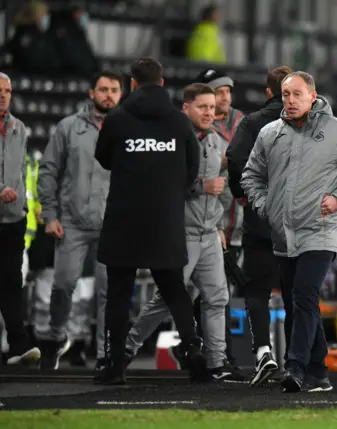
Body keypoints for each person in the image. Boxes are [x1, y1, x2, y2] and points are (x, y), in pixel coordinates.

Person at [241, 71, 337, 392]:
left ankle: (296, 367)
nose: (289, 100)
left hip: (321, 230)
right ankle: (319, 372)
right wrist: (266, 207)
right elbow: (251, 177)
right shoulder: (269, 133)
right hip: (283, 234)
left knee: (303, 293)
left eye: (296, 94)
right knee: (297, 301)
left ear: (312, 96)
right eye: (286, 94)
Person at [93, 57, 206, 385]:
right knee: (174, 289)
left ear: (132, 83)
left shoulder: (117, 119)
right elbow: (192, 169)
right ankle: (193, 349)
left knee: (118, 292)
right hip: (165, 217)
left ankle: (115, 366)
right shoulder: (179, 122)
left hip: (124, 216)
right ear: (162, 80)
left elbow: (103, 158)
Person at [124, 83, 243, 381]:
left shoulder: (217, 142)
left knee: (217, 297)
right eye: (202, 107)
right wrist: (200, 187)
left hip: (207, 233)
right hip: (180, 233)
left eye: (212, 107)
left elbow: (222, 192)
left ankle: (216, 364)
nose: (209, 112)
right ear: (185, 108)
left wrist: (217, 226)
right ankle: (126, 348)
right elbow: (160, 183)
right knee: (167, 298)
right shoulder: (171, 140)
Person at [36, 70, 121, 370]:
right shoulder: (68, 128)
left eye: (114, 90)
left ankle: (105, 355)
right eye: (103, 89)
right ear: (91, 93)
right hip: (71, 223)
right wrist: (50, 214)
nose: (108, 95)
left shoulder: (126, 129)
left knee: (109, 292)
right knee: (63, 285)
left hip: (111, 225)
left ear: (121, 94)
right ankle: (56, 337)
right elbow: (48, 172)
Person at [227, 65, 293, 386]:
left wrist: (243, 194)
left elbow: (234, 157)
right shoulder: (308, 122)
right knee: (297, 291)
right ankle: (297, 358)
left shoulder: (251, 123)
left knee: (257, 290)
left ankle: (263, 351)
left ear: (268, 92)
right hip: (297, 221)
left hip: (261, 217)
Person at [196, 68, 244, 367]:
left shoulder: (243, 123)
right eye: (218, 91)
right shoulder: (198, 127)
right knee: (212, 292)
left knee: (222, 293)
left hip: (237, 223)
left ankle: (208, 349)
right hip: (209, 223)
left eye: (228, 90)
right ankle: (210, 351)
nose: (225, 96)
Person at [0, 72, 41, 365]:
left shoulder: (19, 128)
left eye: (7, 91)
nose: (3, 95)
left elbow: (20, 173)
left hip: (12, 220)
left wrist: (22, 207)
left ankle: (18, 347)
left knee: (12, 284)